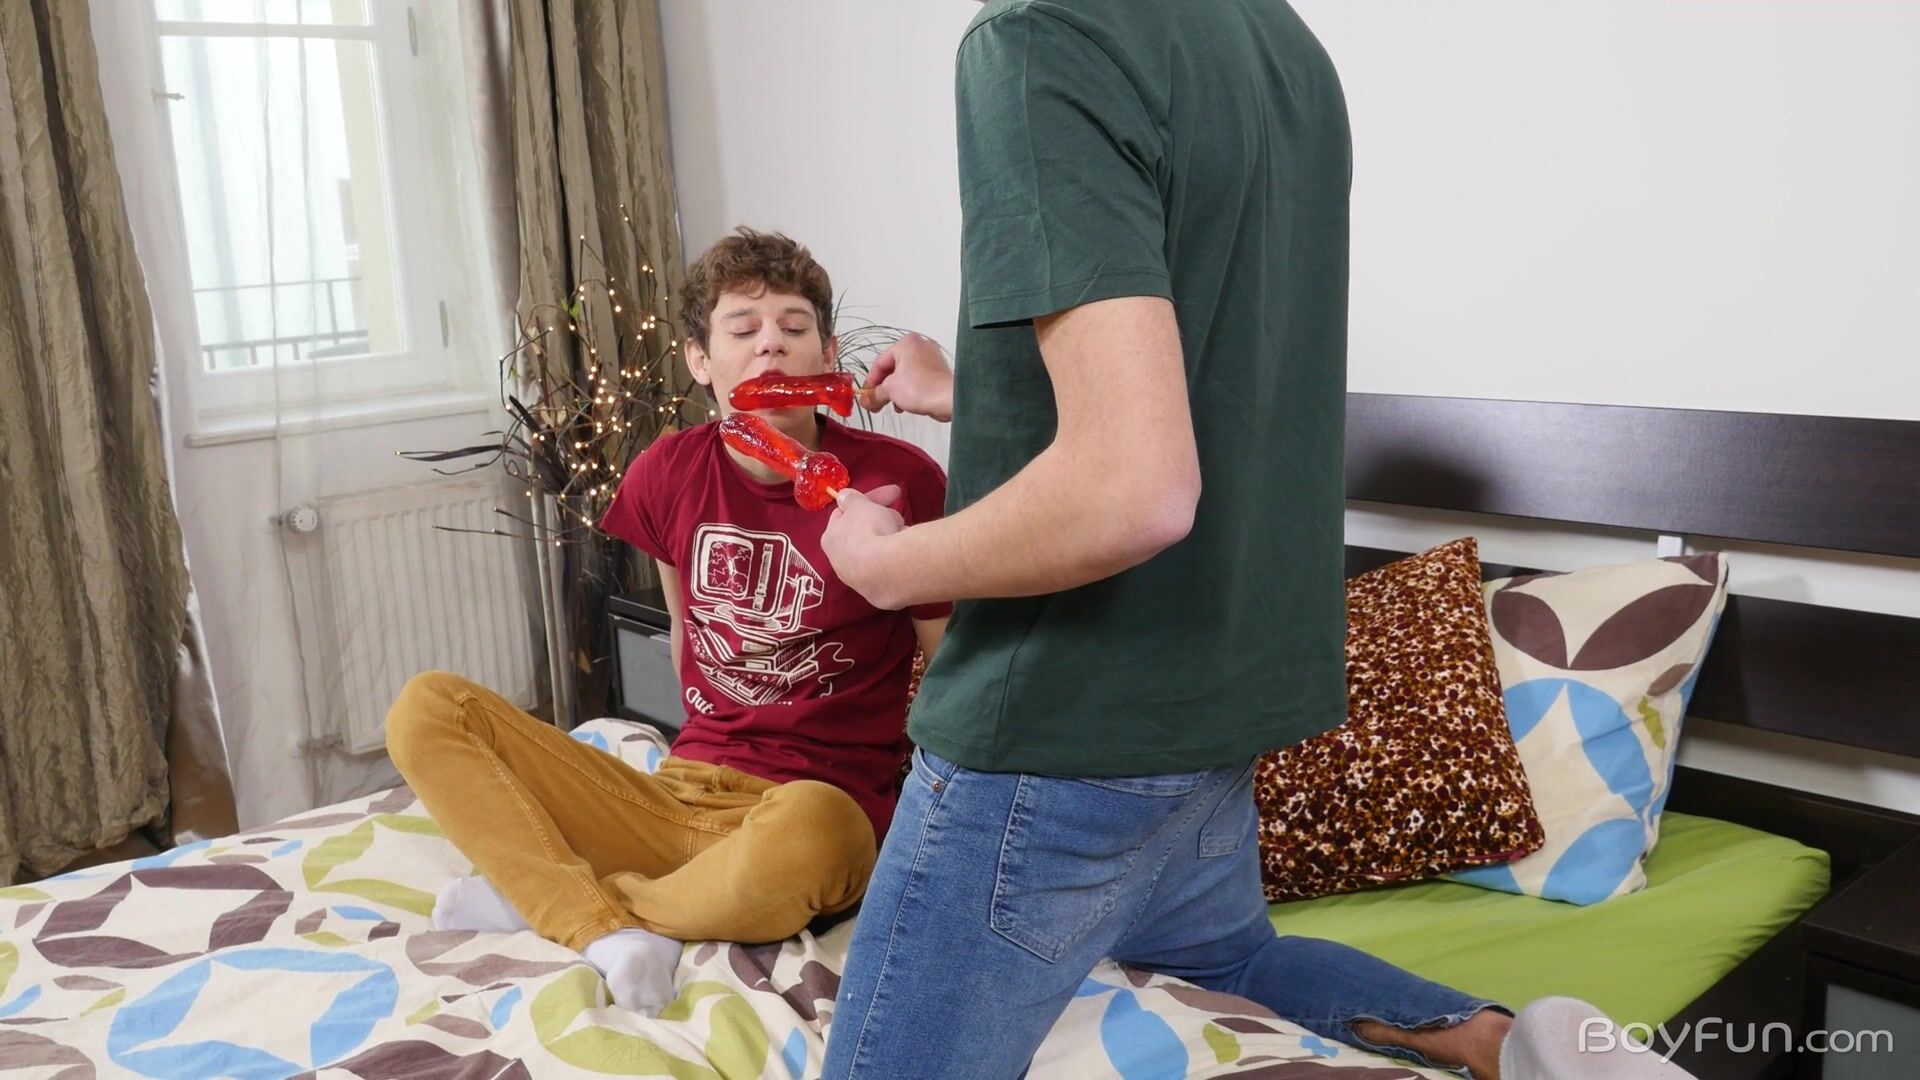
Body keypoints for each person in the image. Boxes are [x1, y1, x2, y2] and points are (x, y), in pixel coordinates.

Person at [815, 2, 1693, 1078]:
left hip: (1065, 716)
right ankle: (1511, 1045)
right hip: (1215, 702)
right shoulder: (1277, 45)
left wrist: (883, 566)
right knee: (1226, 956)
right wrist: (976, 395)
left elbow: (1134, 491)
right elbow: (1205, 379)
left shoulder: (1042, 34)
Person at [384, 228, 951, 1017]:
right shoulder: (667, 471)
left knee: (819, 828)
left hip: (813, 807)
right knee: (428, 708)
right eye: (742, 330)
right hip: (676, 793)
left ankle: (569, 903)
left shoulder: (902, 479)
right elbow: (689, 635)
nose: (771, 347)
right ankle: (616, 925)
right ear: (700, 360)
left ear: (827, 354)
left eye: (794, 328)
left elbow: (949, 670)